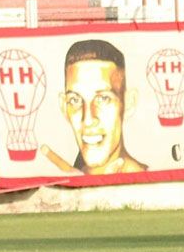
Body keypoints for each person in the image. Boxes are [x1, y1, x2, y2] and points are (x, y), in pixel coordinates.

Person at [57, 39, 147, 175]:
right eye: (75, 100)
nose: (88, 120)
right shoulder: (65, 181)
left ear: (128, 103)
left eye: (103, 99)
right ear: (64, 107)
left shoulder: (156, 184)